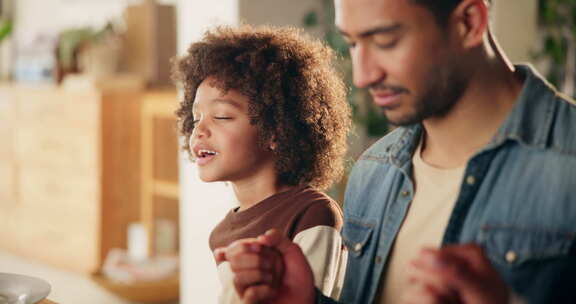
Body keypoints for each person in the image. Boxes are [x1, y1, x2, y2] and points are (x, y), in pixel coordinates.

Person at [215, 0, 576, 303]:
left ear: (469, 22)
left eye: (385, 40)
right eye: (353, 44)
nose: (362, 75)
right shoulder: (374, 171)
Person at [172, 25, 351, 303]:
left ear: (275, 131)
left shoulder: (312, 213)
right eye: (196, 119)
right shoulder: (221, 235)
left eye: (221, 116)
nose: (199, 131)